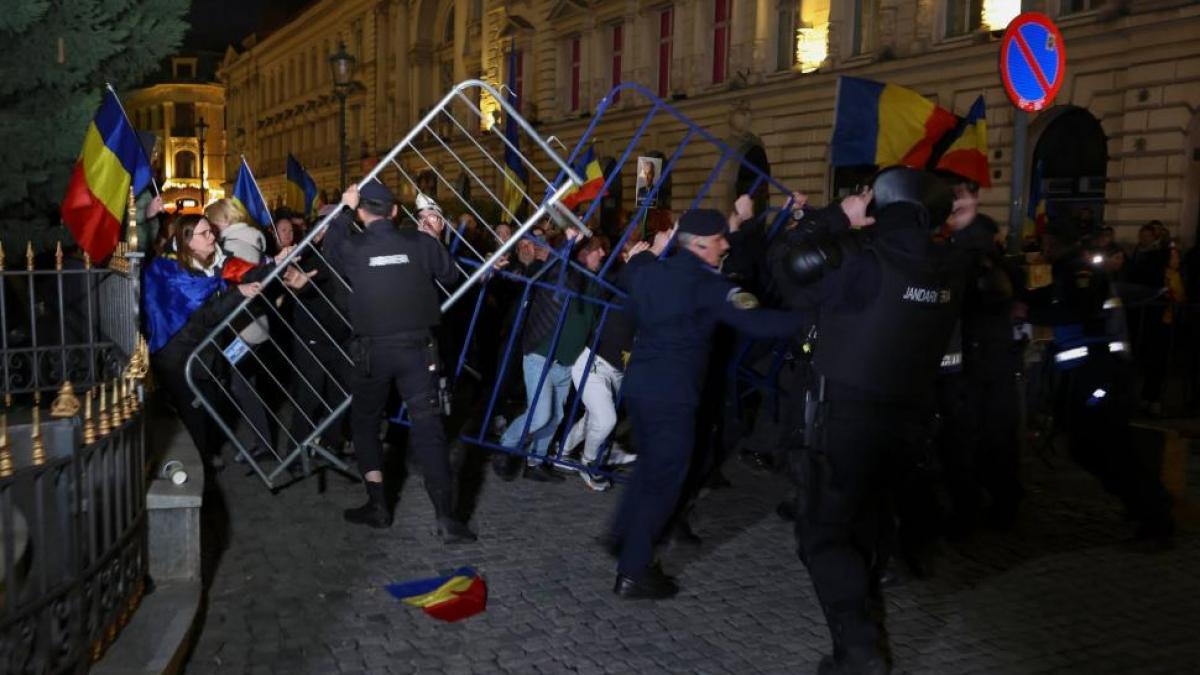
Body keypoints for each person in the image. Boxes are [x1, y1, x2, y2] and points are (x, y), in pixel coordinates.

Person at [770, 167, 965, 674]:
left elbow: (786, 268)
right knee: (870, 521)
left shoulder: (862, 259)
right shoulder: (950, 265)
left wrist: (836, 217)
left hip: (843, 420)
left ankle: (859, 653)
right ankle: (871, 598)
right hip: (907, 421)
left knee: (825, 535)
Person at [607, 206, 807, 600]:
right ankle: (633, 571)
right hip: (674, 395)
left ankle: (623, 538)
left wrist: (650, 251)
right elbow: (759, 321)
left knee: (650, 469)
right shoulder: (708, 286)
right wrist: (812, 318)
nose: (725, 244)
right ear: (698, 244)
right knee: (665, 482)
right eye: (719, 239)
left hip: (641, 389)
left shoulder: (649, 272)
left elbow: (634, 269)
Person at [323, 180, 475, 543]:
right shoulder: (420, 243)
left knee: (364, 424)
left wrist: (345, 207)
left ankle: (378, 505)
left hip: (372, 352)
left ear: (362, 213)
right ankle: (445, 518)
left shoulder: (353, 246)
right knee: (429, 428)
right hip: (417, 350)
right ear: (394, 211)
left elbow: (331, 246)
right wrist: (434, 238)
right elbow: (452, 275)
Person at [1017, 219, 1175, 548]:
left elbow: (1076, 310)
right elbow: (1053, 298)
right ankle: (1145, 505)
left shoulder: (1079, 272)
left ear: (1057, 242)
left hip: (1097, 373)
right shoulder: (1070, 271)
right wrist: (1025, 299)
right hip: (1089, 371)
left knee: (1105, 445)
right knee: (1091, 444)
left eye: (1046, 242)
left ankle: (1155, 516)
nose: (1043, 248)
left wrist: (1027, 311)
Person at [142, 215, 304, 469]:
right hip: (177, 353)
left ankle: (205, 456)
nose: (212, 237)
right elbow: (205, 316)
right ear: (187, 241)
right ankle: (199, 470)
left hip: (203, 351)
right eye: (205, 234)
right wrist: (237, 293)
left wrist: (278, 263)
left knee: (211, 403)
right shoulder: (172, 271)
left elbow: (247, 272)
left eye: (212, 231)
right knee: (194, 413)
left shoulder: (215, 259)